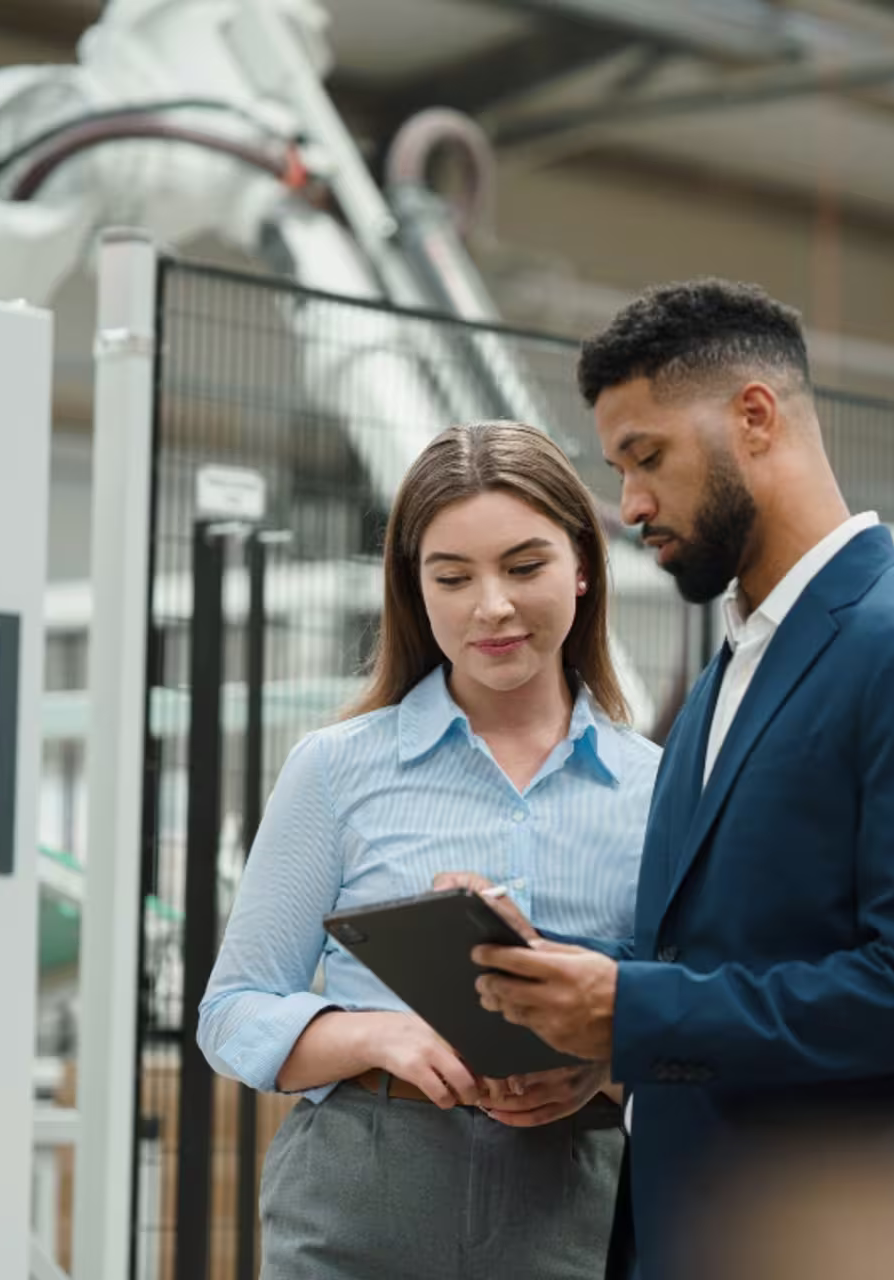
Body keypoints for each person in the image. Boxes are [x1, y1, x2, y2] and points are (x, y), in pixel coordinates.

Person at [466, 280, 894, 1279]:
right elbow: (725, 949)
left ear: (755, 417)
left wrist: (634, 1009)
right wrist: (580, 1009)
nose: (631, 502)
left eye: (648, 456)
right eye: (620, 467)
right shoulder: (732, 668)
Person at [196, 422, 661, 1280]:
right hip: (359, 1190)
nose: (491, 605)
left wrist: (600, 1063)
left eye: (525, 567)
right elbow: (231, 1012)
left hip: (569, 1199)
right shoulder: (337, 770)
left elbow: (691, 1024)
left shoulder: (659, 793)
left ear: (584, 567)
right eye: (452, 576)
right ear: (415, 590)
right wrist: (382, 1035)